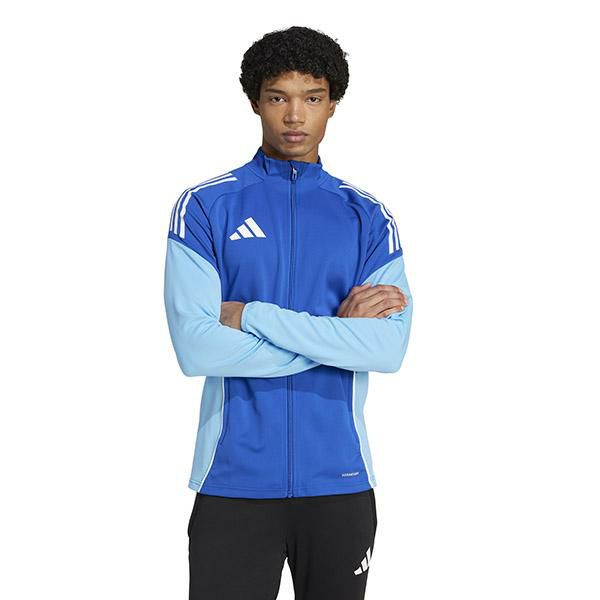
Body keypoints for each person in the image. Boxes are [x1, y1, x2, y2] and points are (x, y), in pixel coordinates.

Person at [164, 25, 413, 600]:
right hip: (232, 481)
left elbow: (387, 349)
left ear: (333, 104)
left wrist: (250, 315)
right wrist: (338, 338)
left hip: (340, 482)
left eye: (313, 98)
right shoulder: (205, 207)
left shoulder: (367, 217)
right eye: (278, 97)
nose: (295, 116)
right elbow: (197, 349)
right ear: (255, 101)